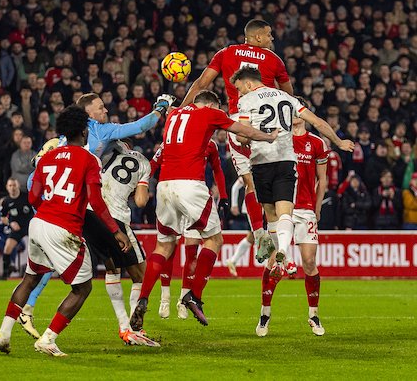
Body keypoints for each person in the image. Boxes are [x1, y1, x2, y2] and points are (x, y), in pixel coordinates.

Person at [130, 90, 279, 331]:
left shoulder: (174, 114)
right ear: (210, 104)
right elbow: (243, 131)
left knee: (164, 245)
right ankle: (193, 295)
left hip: (165, 185)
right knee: (214, 240)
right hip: (191, 184)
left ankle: (143, 298)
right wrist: (268, 137)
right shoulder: (210, 113)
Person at [0, 105, 131, 357]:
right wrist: (115, 231)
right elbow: (97, 203)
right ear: (82, 131)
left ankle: (3, 333)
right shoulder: (90, 160)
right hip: (62, 227)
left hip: (38, 223)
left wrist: (48, 209)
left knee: (30, 278)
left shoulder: (46, 158)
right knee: (83, 288)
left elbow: (34, 196)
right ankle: (48, 339)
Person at [179, 19, 294, 263]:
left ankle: (260, 234)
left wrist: (181, 109)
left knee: (249, 182)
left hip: (237, 121)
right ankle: (277, 243)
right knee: (273, 182)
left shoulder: (226, 53)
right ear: (259, 38)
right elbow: (287, 95)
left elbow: (201, 84)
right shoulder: (274, 61)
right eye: (269, 35)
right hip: (267, 125)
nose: (272, 39)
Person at [232, 66, 354, 279]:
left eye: (240, 88)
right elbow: (317, 122)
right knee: (285, 213)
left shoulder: (246, 101)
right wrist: (339, 142)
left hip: (261, 162)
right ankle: (284, 254)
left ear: (249, 83)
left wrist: (242, 135)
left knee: (272, 216)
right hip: (286, 161)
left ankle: (285, 259)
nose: (239, 93)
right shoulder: (287, 97)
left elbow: (243, 136)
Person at [256, 96, 328, 337]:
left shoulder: (316, 143)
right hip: (281, 208)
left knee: (309, 262)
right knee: (274, 263)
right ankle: (265, 314)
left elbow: (323, 179)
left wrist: (317, 208)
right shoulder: (279, 139)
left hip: (306, 208)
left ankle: (314, 315)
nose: (294, 115)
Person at [151, 138, 229, 319]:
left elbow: (217, 169)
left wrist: (222, 194)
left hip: (196, 199)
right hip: (172, 195)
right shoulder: (171, 141)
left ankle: (183, 299)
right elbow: (153, 164)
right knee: (169, 248)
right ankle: (165, 297)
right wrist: (143, 184)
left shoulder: (210, 143)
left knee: (191, 252)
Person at [98, 139, 160, 346]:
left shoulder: (108, 146)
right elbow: (141, 202)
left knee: (112, 271)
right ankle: (134, 328)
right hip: (116, 217)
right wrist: (132, 188)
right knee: (141, 276)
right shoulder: (144, 163)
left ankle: (124, 325)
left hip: (93, 215)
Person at [0, 177, 33, 280]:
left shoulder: (26, 197)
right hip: (17, 228)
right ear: (7, 188)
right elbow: (3, 217)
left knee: (39, 248)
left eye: (14, 185)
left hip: (30, 227)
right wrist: (10, 223)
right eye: (10, 186)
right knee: (7, 247)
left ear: (18, 186)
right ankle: (5, 274)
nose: (12, 188)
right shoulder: (6, 201)